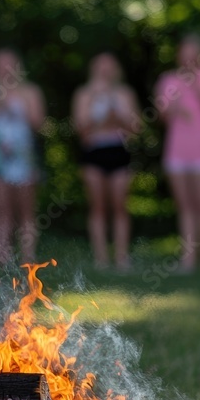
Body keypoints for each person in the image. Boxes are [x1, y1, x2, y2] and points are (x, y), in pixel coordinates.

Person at [154, 33, 200, 272]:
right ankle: (188, 258)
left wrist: (197, 89)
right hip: (177, 152)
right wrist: (172, 107)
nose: (187, 59)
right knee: (185, 206)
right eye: (183, 53)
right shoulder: (168, 80)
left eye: (192, 54)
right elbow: (162, 117)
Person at [72, 53, 141, 270]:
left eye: (109, 66)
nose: (105, 71)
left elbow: (135, 128)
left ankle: (121, 257)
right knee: (97, 206)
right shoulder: (84, 94)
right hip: (93, 152)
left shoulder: (124, 93)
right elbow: (81, 129)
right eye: (101, 66)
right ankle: (101, 258)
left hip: (119, 151)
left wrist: (117, 117)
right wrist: (100, 119)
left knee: (120, 205)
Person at [0, 48, 45, 266]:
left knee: (26, 209)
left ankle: (28, 256)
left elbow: (38, 123)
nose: (4, 68)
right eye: (0, 63)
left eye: (9, 63)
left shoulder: (30, 91)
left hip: (22, 157)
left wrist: (15, 104)